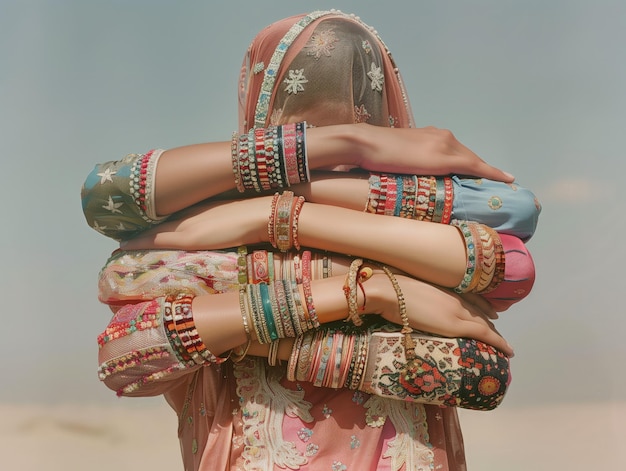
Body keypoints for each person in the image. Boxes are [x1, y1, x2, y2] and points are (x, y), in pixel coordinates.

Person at [82, 10, 540, 471]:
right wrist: (365, 285)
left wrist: (276, 213)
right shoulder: (206, 253)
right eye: (298, 136)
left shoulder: (204, 244)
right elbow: (121, 349)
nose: (327, 158)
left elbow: (484, 373)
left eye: (360, 123)